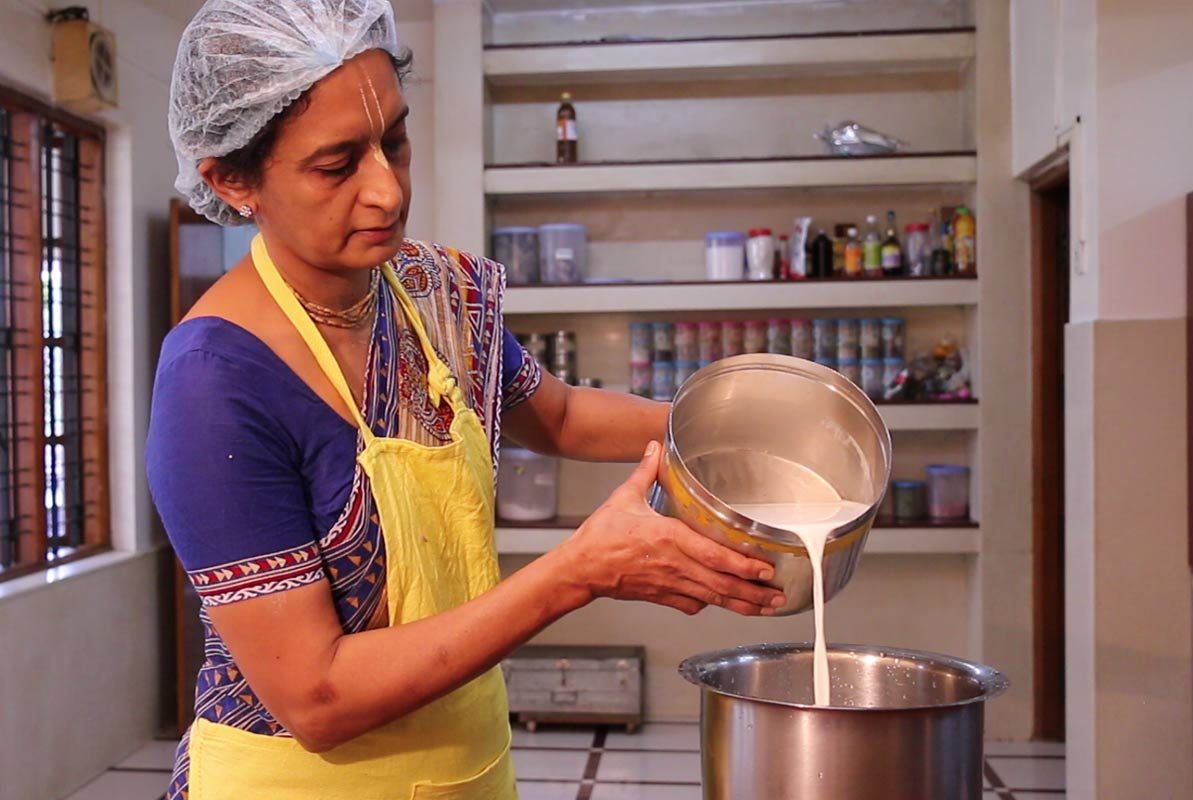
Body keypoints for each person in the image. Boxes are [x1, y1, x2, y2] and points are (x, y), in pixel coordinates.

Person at [147, 1, 785, 798]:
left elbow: (555, 415)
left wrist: (733, 423)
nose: (386, 191)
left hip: (467, 771)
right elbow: (316, 695)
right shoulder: (216, 380)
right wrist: (577, 573)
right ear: (232, 180)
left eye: (396, 143)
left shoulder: (429, 294)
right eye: (338, 164)